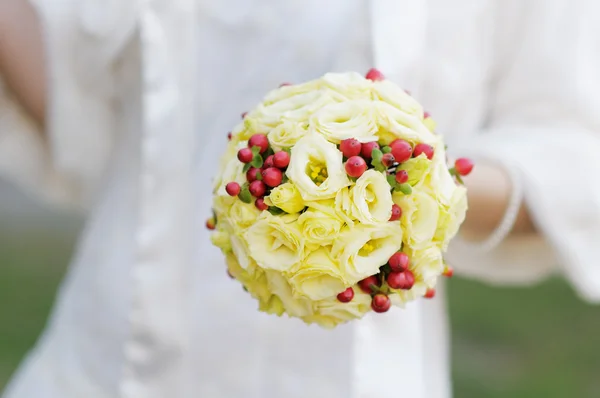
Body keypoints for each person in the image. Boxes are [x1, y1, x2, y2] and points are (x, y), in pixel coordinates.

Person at [1, 0, 599, 397]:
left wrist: (419, 193)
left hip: (357, 374)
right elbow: (84, 123)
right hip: (107, 359)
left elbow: (572, 155)